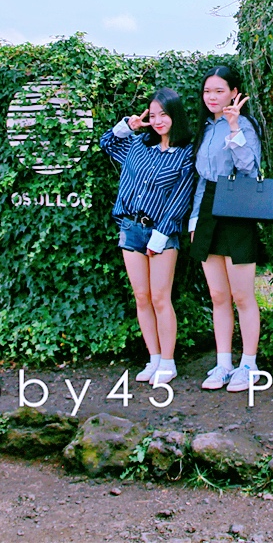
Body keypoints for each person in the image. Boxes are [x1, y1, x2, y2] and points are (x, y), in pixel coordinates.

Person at [99, 87, 198, 385]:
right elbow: (106, 143)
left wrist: (161, 235)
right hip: (130, 228)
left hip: (162, 233)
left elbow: (181, 197)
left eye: (163, 115)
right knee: (141, 297)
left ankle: (168, 361)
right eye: (153, 115)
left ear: (175, 115)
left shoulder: (185, 153)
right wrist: (127, 126)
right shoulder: (138, 145)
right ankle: (153, 358)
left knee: (159, 297)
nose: (157, 121)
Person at [188, 66, 265, 393]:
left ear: (234, 93)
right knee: (218, 295)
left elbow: (251, 168)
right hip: (207, 207)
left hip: (237, 206)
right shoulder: (205, 128)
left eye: (219, 91)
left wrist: (234, 126)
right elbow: (201, 179)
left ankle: (249, 364)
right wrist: (194, 220)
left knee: (242, 295)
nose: (212, 97)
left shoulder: (244, 124)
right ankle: (223, 364)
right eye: (208, 91)